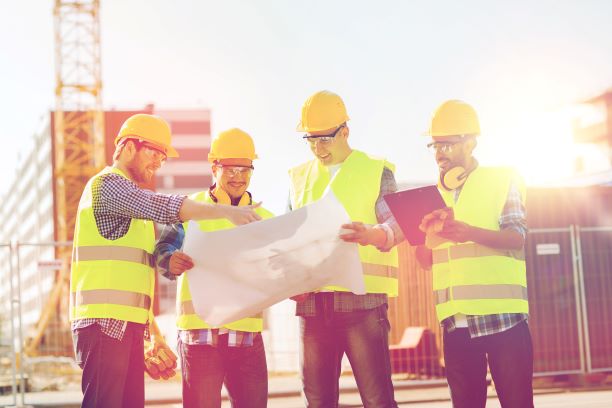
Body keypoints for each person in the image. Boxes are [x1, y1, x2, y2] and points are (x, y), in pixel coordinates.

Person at [70, 114, 261, 408]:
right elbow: (161, 206)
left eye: (163, 158)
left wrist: (152, 336)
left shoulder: (135, 211)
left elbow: (136, 279)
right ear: (128, 146)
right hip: (103, 324)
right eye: (154, 153)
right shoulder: (107, 186)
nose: (159, 163)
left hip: (128, 326)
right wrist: (225, 212)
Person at [352, 100, 534, 408]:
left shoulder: (503, 180)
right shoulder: (432, 194)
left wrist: (469, 232)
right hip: (456, 324)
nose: (439, 153)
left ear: (471, 142)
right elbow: (425, 261)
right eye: (434, 146)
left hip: (504, 320)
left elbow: (516, 238)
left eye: (447, 145)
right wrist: (419, 235)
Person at [289, 90, 402, 407]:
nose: (316, 148)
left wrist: (374, 234)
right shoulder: (299, 179)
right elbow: (289, 242)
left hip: (362, 307)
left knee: (377, 400)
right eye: (310, 139)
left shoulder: (376, 170)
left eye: (324, 139)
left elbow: (398, 222)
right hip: (312, 309)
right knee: (318, 402)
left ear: (345, 132)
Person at [154, 128, 273, 408]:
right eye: (230, 169)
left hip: (245, 336)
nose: (237, 177)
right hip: (200, 338)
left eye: (245, 169)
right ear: (214, 168)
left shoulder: (265, 218)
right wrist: (171, 260)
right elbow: (162, 251)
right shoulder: (191, 210)